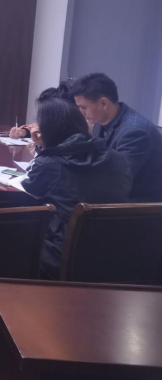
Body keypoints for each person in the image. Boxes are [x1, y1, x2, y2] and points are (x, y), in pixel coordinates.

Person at [21, 98, 132, 279]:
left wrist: (44, 149)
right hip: (115, 254)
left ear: (48, 130)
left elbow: (30, 187)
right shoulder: (117, 158)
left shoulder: (50, 163)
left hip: (62, 256)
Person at [71, 73, 162, 202]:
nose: (81, 112)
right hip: (116, 196)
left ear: (104, 103)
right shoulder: (100, 123)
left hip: (138, 204)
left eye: (83, 107)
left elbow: (117, 179)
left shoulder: (135, 132)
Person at [9, 83, 75, 139]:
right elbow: (36, 127)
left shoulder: (73, 134)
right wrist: (24, 132)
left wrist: (42, 146)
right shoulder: (51, 124)